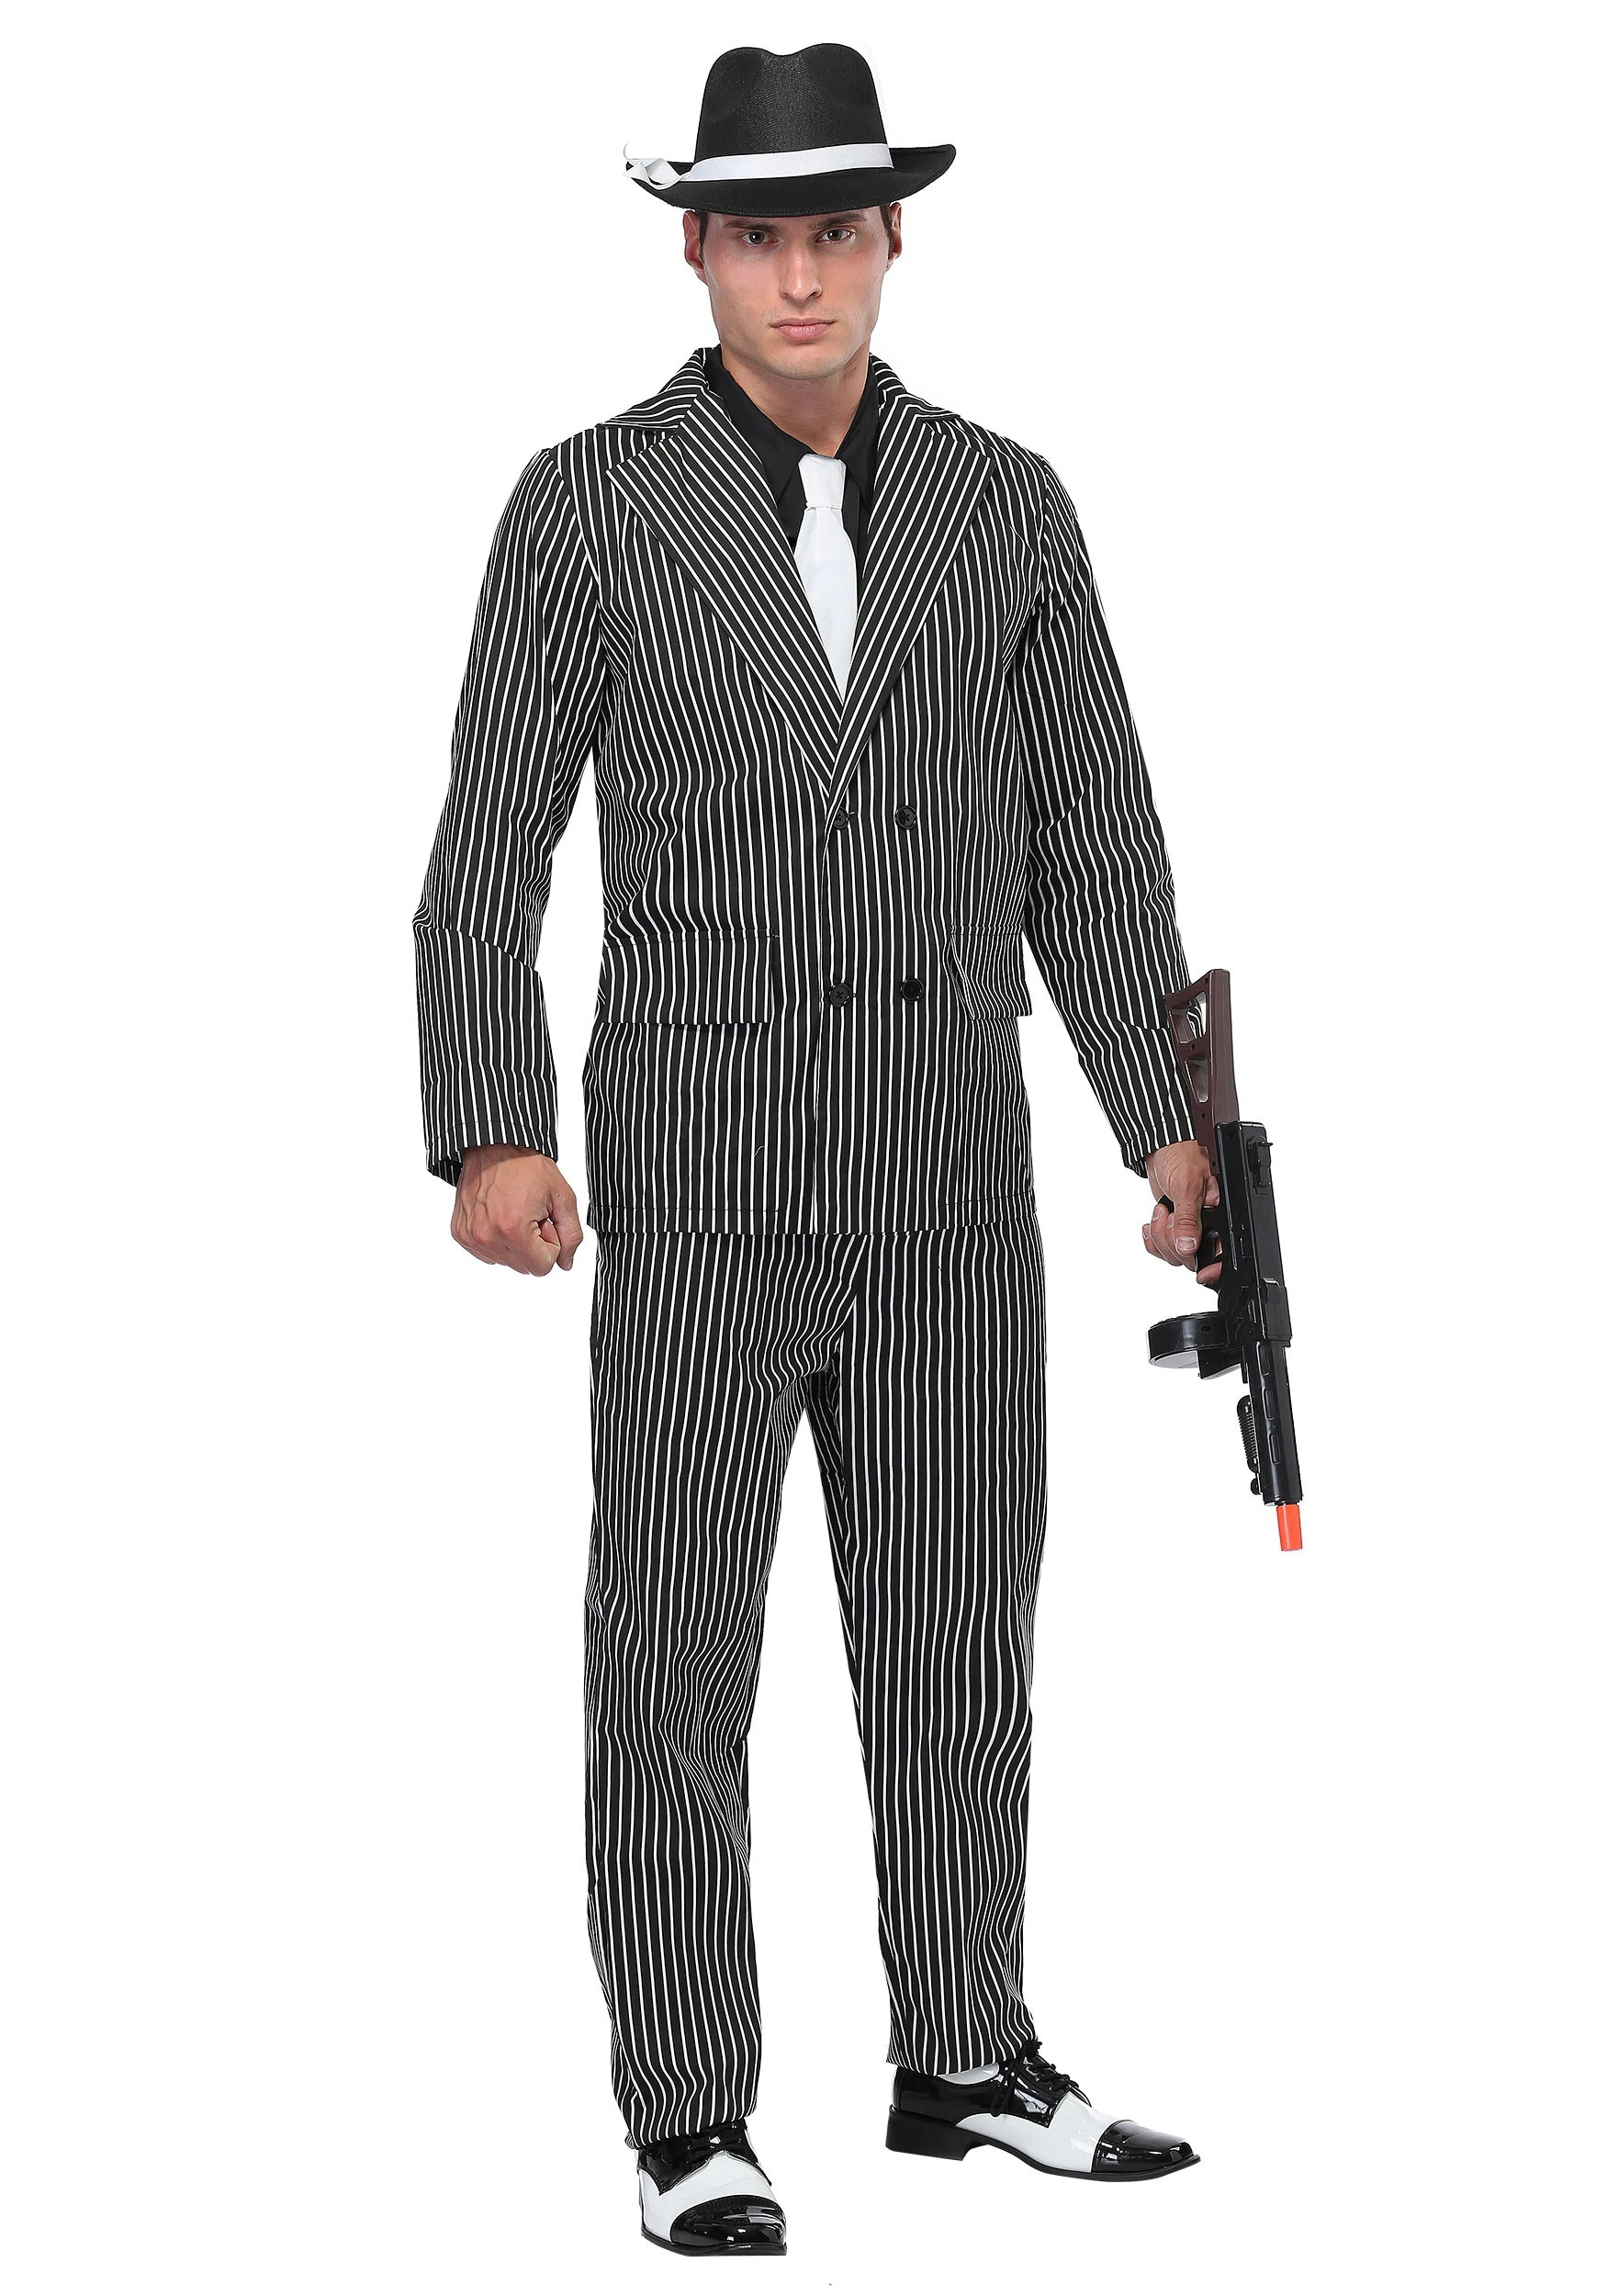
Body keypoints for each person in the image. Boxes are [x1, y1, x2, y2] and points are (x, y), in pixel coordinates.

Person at [414, 39, 1214, 2261]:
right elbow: (488, 843)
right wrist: (490, 1124)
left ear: (890, 242)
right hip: (697, 1172)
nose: (798, 276)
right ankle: (689, 2110)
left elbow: (1094, 843)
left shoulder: (1005, 504)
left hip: (949, 1167)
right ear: (694, 247)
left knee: (958, 1630)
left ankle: (963, 2051)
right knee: (672, 1651)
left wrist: (1161, 1119)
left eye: (833, 233)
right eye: (758, 234)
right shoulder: (585, 503)